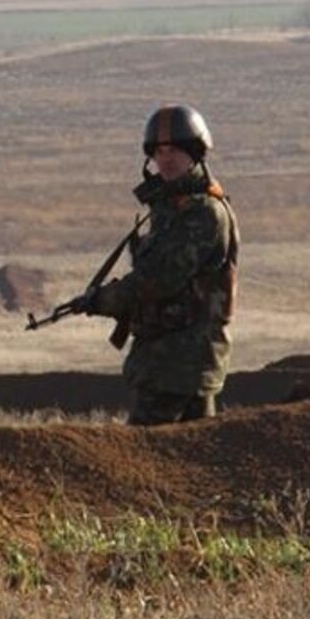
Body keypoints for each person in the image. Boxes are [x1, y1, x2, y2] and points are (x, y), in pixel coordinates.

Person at [86, 105, 239, 425]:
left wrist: (105, 299)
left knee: (146, 451)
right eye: (159, 151)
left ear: (194, 152)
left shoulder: (202, 212)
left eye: (175, 150)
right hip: (172, 361)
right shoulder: (170, 208)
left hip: (182, 363)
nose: (166, 159)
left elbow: (159, 279)